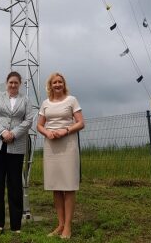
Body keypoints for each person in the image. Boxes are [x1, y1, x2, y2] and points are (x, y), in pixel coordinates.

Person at [37, 72, 85, 239]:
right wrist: (47, 133)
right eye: (54, 82)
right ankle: (60, 224)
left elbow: (80, 122)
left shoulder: (72, 100)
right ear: (50, 85)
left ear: (64, 84)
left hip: (68, 145)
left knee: (68, 185)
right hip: (51, 146)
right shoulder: (45, 103)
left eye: (60, 82)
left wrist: (65, 130)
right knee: (56, 186)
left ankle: (68, 227)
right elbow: (39, 125)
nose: (57, 84)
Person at [0, 71, 33, 234]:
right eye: (11, 82)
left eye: (16, 83)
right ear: (6, 83)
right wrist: (3, 132)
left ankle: (16, 225)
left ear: (20, 84)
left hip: (16, 145)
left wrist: (13, 133)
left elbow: (28, 120)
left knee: (15, 185)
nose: (13, 85)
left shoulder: (25, 100)